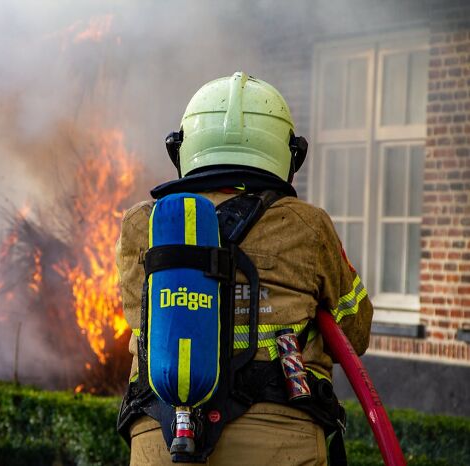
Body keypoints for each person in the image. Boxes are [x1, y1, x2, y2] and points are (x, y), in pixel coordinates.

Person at [116, 72, 373, 465]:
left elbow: (138, 317)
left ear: (182, 149)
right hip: (281, 434)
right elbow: (354, 331)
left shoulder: (143, 224)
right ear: (289, 154)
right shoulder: (306, 225)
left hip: (161, 434)